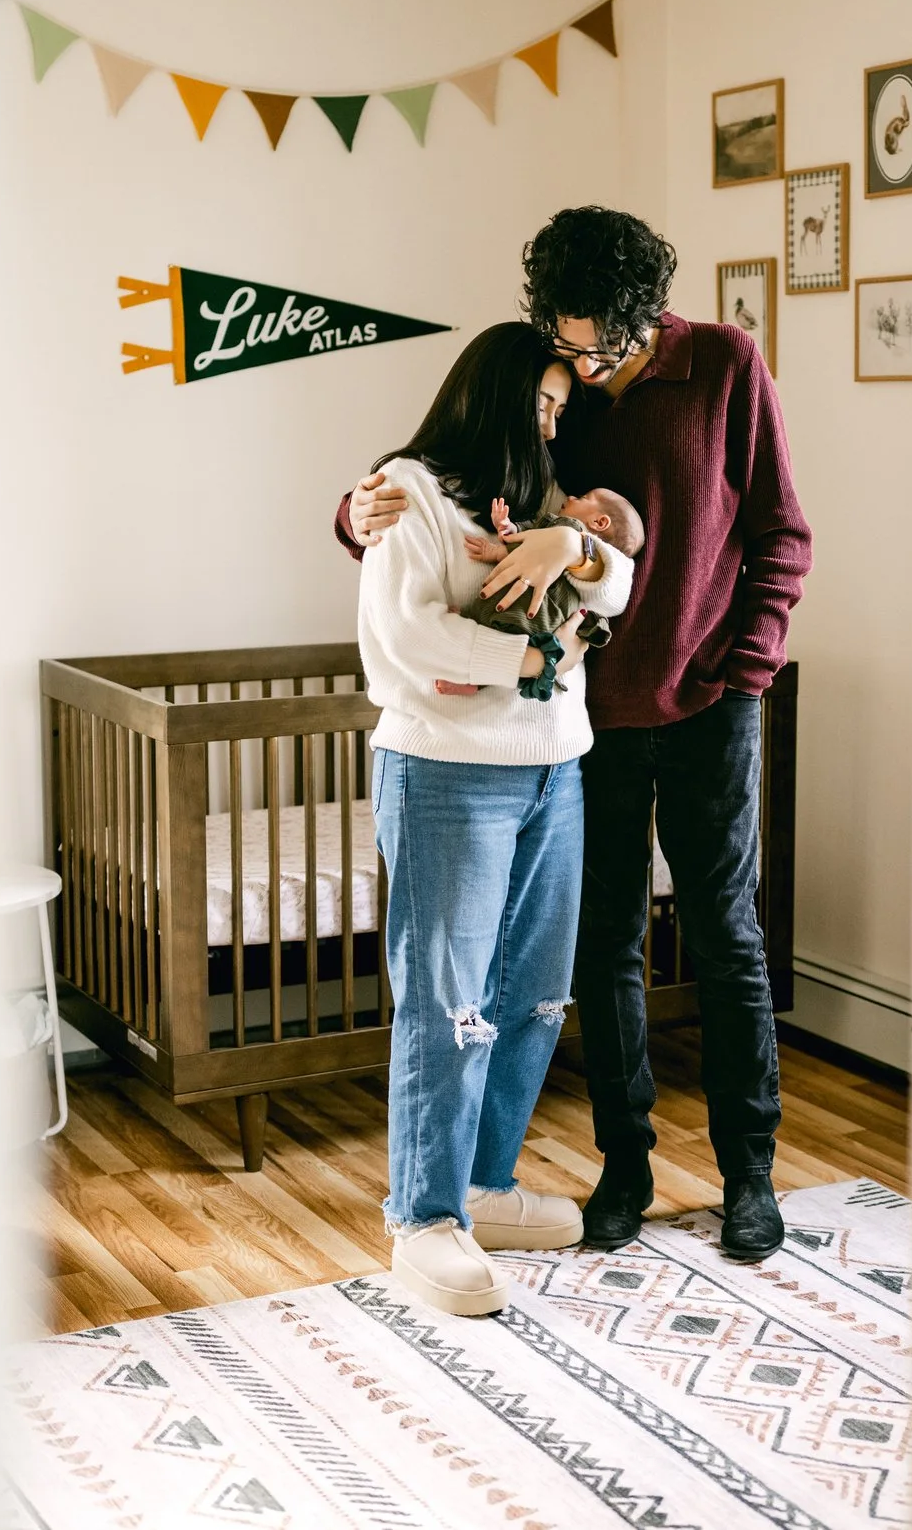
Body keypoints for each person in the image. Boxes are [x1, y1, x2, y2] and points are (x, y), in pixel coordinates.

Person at [339, 206, 812, 1262]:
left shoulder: (726, 367)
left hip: (706, 707)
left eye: (602, 344)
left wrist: (746, 668)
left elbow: (781, 531)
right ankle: (624, 1167)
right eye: (569, 344)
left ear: (648, 316)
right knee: (602, 954)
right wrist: (355, 506)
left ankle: (749, 1174)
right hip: (583, 722)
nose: (584, 368)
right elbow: (463, 470)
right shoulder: (558, 385)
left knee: (725, 936)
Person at [355, 321, 635, 1317]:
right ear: (494, 395)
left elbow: (618, 582)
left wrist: (579, 549)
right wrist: (532, 658)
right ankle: (421, 1213)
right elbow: (404, 631)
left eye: (560, 414)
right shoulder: (408, 490)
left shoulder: (547, 504)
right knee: (444, 997)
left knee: (531, 993)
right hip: (444, 768)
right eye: (541, 407)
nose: (551, 427)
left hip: (555, 766)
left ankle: (483, 1177)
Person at [434, 486, 645, 700]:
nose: (570, 497)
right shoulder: (575, 547)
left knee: (499, 619)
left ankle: (470, 648)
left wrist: (496, 551)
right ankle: (477, 683)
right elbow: (532, 540)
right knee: (518, 647)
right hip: (551, 625)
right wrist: (509, 529)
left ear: (600, 522)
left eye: (582, 497)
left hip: (531, 607)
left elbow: (530, 549)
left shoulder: (570, 527)